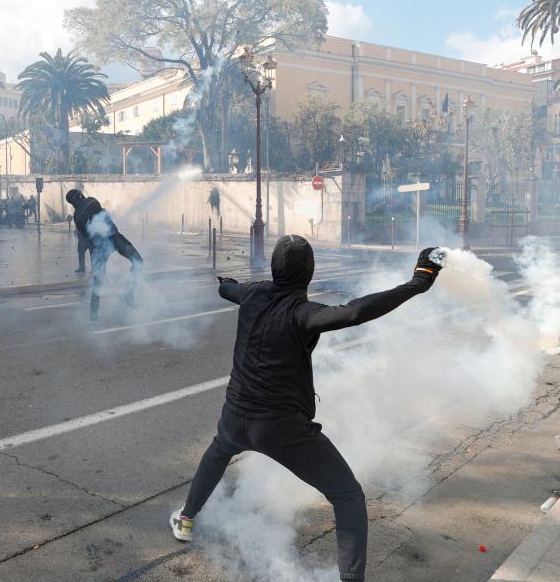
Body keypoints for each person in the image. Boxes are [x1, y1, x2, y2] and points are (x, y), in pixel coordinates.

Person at [170, 236, 444, 582]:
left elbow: (231, 291)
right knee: (347, 496)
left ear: (273, 268)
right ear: (309, 274)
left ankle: (186, 518)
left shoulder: (252, 293)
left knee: (217, 454)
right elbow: (356, 311)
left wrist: (226, 284)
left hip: (236, 413)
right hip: (281, 427)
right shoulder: (304, 313)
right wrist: (419, 282)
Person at [65, 189, 143, 322]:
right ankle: (128, 293)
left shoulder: (77, 217)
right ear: (79, 195)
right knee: (138, 261)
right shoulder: (91, 200)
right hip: (114, 238)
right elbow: (104, 216)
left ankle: (93, 317)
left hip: (99, 246)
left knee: (98, 281)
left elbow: (86, 237)